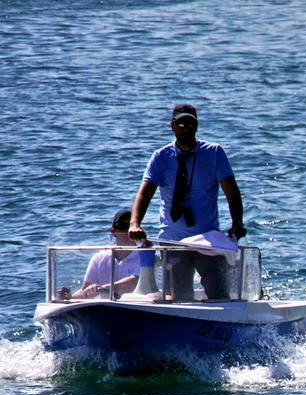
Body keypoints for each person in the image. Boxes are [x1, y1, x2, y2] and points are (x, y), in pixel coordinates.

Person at [128, 103, 246, 301]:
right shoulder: (161, 157)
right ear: (172, 126)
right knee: (179, 296)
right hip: (172, 238)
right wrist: (134, 224)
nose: (185, 128)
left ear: (197, 125)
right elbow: (144, 194)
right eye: (181, 123)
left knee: (219, 294)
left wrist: (237, 223)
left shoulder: (214, 152)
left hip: (207, 239)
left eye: (190, 123)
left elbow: (232, 192)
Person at [60, 209, 141, 300]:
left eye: (131, 227)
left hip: (136, 308)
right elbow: (86, 291)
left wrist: (100, 289)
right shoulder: (99, 258)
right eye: (122, 227)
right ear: (113, 232)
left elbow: (134, 283)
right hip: (104, 309)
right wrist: (68, 297)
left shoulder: (147, 257)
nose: (127, 231)